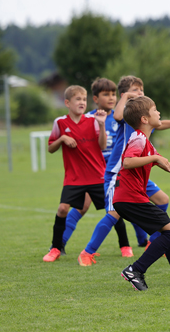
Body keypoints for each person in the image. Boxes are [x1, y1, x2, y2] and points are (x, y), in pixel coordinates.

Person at [77, 75, 170, 266]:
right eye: (136, 90)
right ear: (124, 94)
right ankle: (87, 252)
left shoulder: (142, 123)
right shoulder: (127, 116)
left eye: (141, 90)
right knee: (114, 213)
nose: (140, 92)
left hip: (136, 172)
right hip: (119, 173)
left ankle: (153, 241)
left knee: (162, 199)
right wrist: (126, 97)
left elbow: (159, 124)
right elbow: (117, 116)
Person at [114, 95, 170, 291]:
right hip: (130, 198)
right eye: (155, 110)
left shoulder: (146, 143)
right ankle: (135, 270)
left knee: (167, 233)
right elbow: (128, 162)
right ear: (144, 119)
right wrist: (154, 158)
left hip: (128, 198)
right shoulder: (139, 138)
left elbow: (166, 164)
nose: (159, 112)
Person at [61, 77, 133, 257]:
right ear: (95, 98)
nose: (111, 98)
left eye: (113, 94)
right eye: (106, 94)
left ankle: (131, 244)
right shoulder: (88, 118)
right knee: (84, 207)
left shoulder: (120, 117)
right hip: (96, 172)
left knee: (120, 206)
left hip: (117, 171)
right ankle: (59, 244)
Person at [43, 85, 107, 262]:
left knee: (115, 209)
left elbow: (102, 146)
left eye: (84, 99)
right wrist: (62, 138)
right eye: (78, 99)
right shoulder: (60, 123)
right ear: (67, 103)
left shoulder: (94, 120)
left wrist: (102, 125)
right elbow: (50, 148)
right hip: (74, 178)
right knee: (63, 209)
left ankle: (125, 246)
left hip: (97, 175)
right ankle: (55, 248)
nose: (82, 102)